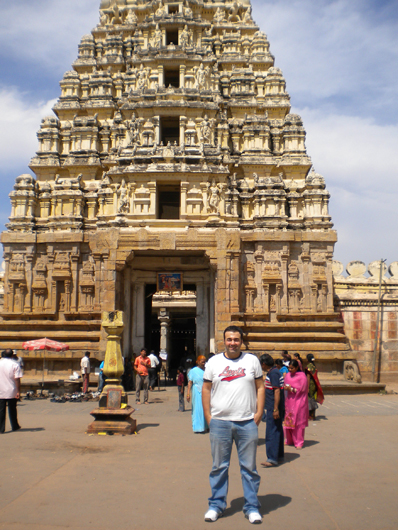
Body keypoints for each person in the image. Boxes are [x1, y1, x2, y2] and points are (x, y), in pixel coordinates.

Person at [202, 326, 265, 524]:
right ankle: (216, 505)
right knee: (219, 466)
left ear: (241, 341)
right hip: (220, 422)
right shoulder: (213, 362)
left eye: (236, 339)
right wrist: (208, 416)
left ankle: (252, 507)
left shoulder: (252, 360)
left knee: (249, 468)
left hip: (246, 422)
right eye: (229, 339)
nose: (232, 343)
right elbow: (205, 389)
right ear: (224, 341)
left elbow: (261, 387)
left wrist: (259, 413)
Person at [259, 354, 285, 467]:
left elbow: (277, 391)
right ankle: (278, 455)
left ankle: (272, 458)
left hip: (273, 407)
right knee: (277, 430)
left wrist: (275, 409)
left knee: (271, 432)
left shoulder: (273, 373)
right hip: (276, 407)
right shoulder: (274, 372)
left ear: (264, 364)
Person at [283, 360, 308, 449]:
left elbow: (303, 389)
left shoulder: (302, 377)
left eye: (292, 368)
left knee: (298, 422)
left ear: (297, 368)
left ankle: (299, 442)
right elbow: (284, 384)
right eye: (289, 368)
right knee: (289, 420)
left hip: (299, 401)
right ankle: (289, 440)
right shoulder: (288, 375)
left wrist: (292, 389)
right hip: (289, 401)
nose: (290, 370)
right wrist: (286, 388)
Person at [0, 348, 22, 433]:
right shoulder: (15, 364)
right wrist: (18, 391)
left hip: (0, 390)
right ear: (12, 355)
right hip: (11, 390)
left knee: (1, 410)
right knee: (12, 409)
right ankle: (14, 425)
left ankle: (1, 428)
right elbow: (17, 379)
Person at [187, 355, 208, 433]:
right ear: (198, 362)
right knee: (197, 408)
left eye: (204, 362)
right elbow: (190, 382)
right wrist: (188, 393)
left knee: (206, 408)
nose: (203, 363)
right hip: (196, 391)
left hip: (206, 390)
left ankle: (206, 425)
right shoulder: (193, 371)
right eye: (202, 362)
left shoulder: (207, 370)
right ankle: (198, 427)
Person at [305, 354, 324, 420]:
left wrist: (307, 387)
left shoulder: (309, 366)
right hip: (314, 384)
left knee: (309, 399)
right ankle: (313, 415)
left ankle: (310, 416)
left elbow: (308, 376)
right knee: (312, 398)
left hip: (310, 384)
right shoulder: (313, 366)